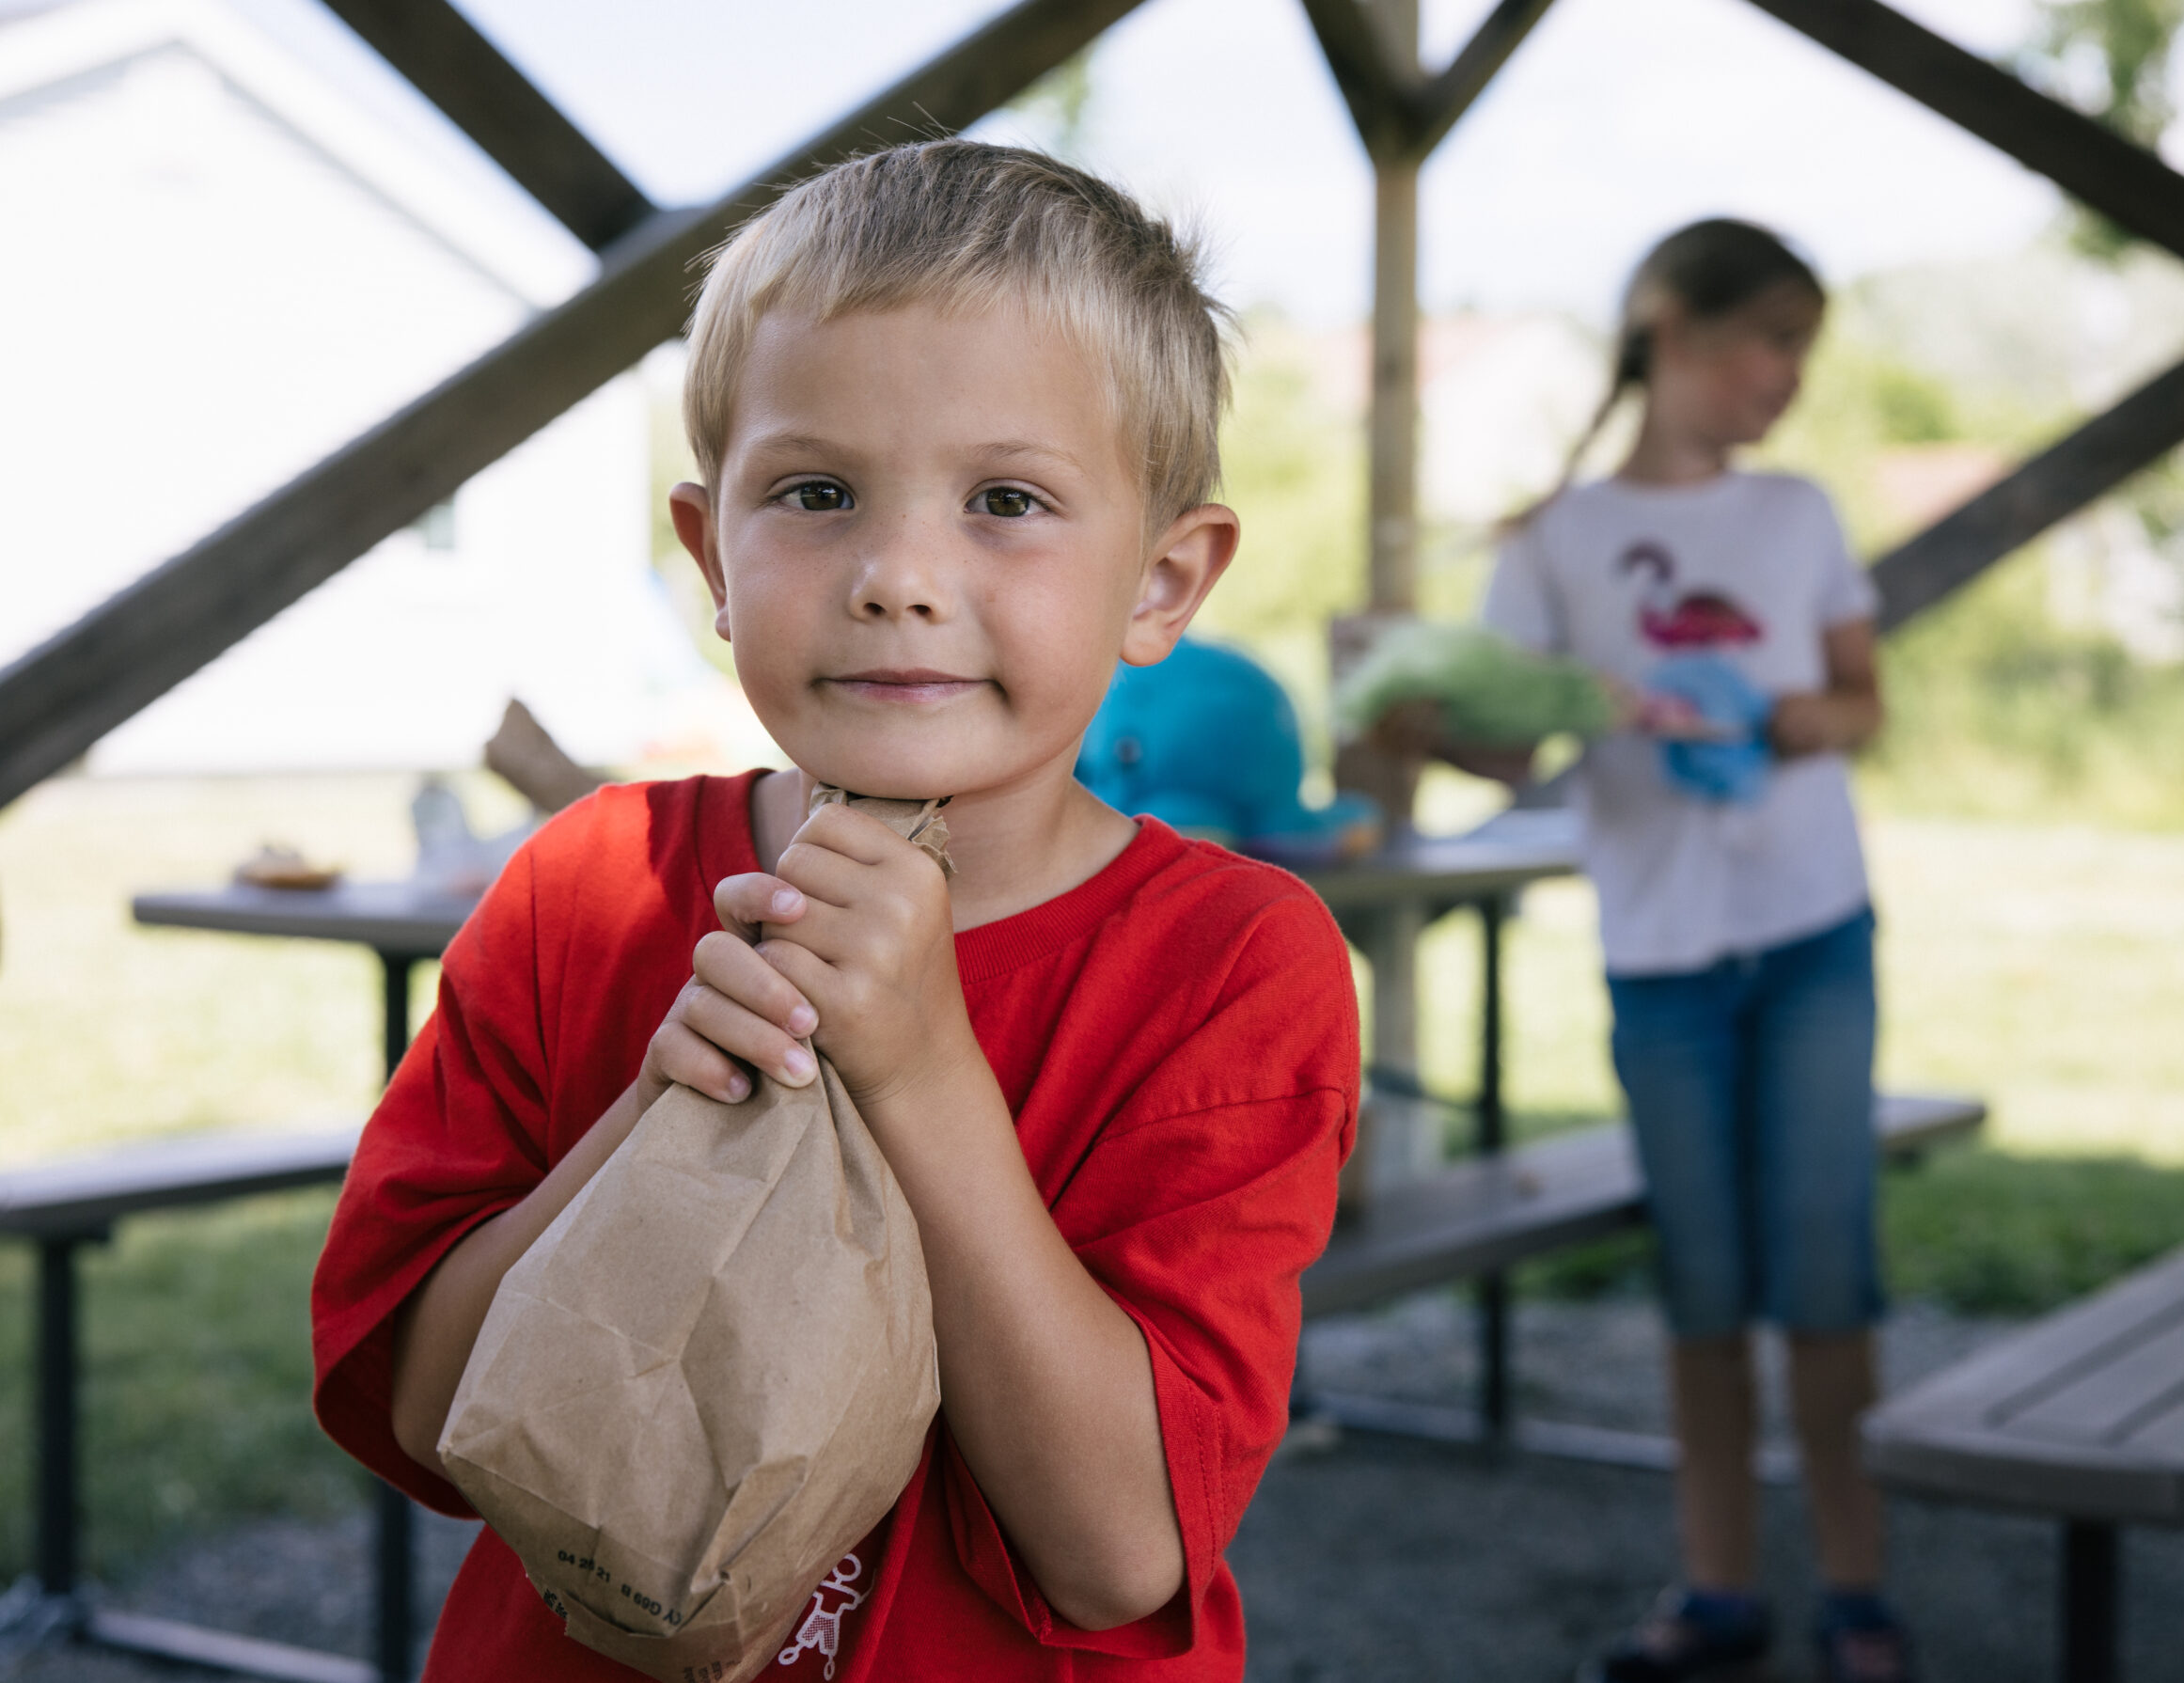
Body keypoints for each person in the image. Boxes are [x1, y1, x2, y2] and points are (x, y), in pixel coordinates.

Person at [309, 141, 1359, 1681]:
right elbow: (423, 1405)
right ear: (708, 555)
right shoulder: (584, 892)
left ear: (1163, 580)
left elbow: (1121, 1543)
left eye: (1006, 499)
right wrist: (664, 1095)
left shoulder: (1230, 965)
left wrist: (923, 1070)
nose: (895, 574)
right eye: (815, 492)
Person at [1479, 220, 1908, 1683]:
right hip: (1657, 956)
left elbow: (1862, 699)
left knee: (1825, 1269)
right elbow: (1495, 738)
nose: (1786, 376)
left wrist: (1777, 720)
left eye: (1802, 349)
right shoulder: (1553, 542)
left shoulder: (1797, 514)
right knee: (1703, 1281)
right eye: (1767, 338)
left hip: (1811, 941)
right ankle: (1719, 1587)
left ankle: (1860, 1586)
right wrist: (1422, 714)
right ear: (1670, 322)